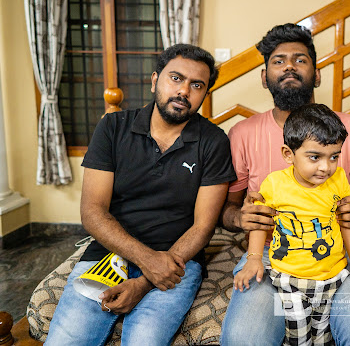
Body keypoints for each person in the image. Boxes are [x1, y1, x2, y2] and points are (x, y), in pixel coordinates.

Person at [45, 44, 237, 345]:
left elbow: (203, 227)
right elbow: (92, 212)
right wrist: (147, 260)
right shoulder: (112, 127)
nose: (183, 91)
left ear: (204, 94)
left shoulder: (214, 141)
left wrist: (146, 281)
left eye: (197, 85)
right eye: (176, 78)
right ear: (154, 80)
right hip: (107, 255)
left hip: (178, 262)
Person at [219, 23, 350, 345]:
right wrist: (240, 218)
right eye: (279, 61)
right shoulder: (242, 134)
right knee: (245, 339)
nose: (289, 66)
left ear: (317, 75)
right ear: (264, 77)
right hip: (270, 258)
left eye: (300, 59)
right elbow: (228, 209)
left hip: (340, 258)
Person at [234, 104, 350, 345]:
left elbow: (347, 222)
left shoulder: (339, 178)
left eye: (334, 157)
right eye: (315, 157)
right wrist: (253, 259)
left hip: (332, 275)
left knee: (323, 338)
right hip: (288, 277)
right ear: (288, 154)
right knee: (299, 338)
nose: (326, 167)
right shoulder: (274, 183)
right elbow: (261, 222)